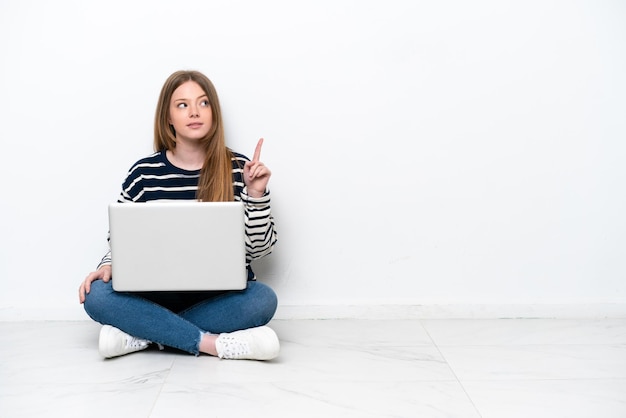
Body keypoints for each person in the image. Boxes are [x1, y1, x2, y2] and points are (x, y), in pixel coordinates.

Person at [78, 70, 279, 360]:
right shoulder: (143, 173)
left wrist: (256, 194)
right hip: (155, 296)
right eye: (182, 105)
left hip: (219, 297)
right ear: (168, 117)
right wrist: (108, 264)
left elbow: (258, 249)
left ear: (214, 113)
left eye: (203, 103)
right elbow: (121, 237)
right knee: (95, 295)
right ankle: (210, 343)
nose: (195, 112)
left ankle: (143, 334)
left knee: (263, 300)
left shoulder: (239, 168)